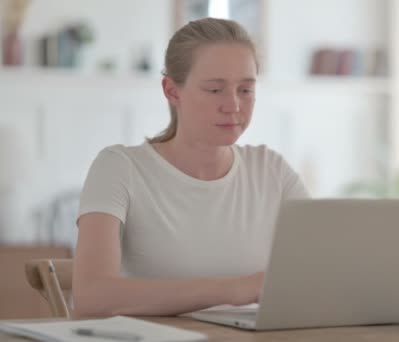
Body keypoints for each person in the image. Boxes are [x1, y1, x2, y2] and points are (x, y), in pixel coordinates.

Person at [73, 18, 309, 317]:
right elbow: (91, 297)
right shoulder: (120, 168)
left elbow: (320, 274)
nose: (233, 105)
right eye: (214, 90)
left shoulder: (272, 170)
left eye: (246, 90)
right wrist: (232, 290)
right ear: (172, 91)